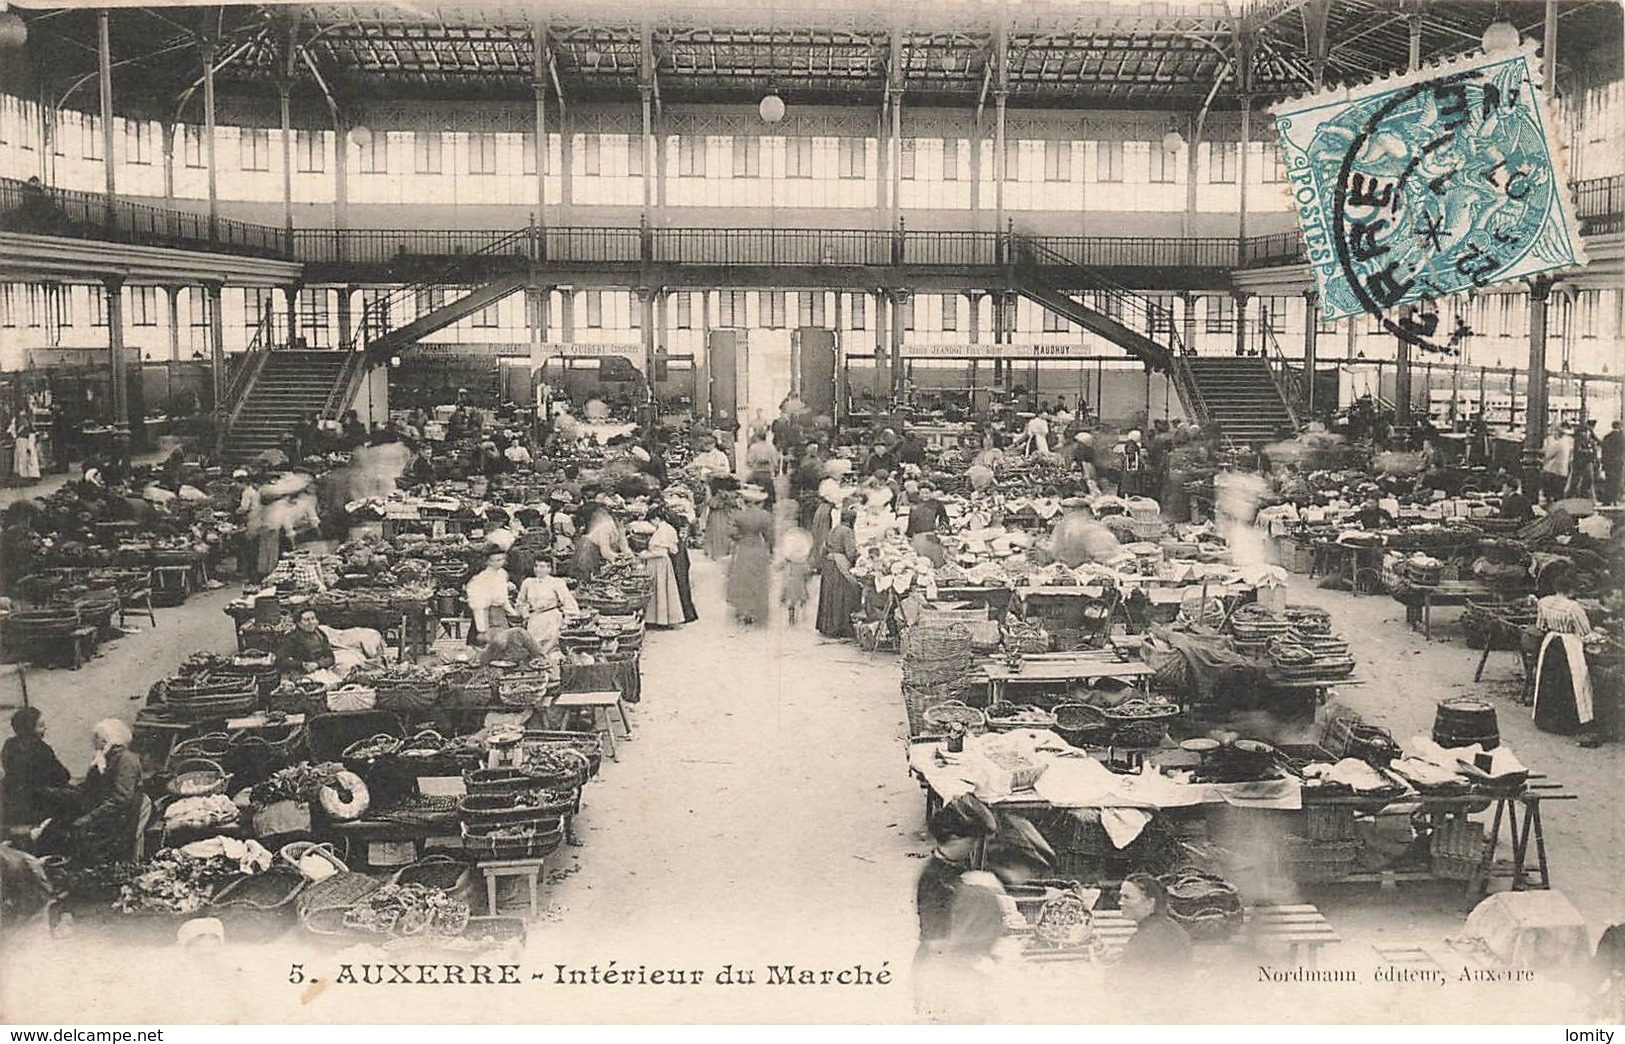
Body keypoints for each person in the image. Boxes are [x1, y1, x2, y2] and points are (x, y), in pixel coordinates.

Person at [37, 719, 143, 866]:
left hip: (117, 816)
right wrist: (58, 792)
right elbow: (90, 788)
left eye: (96, 737)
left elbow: (120, 799)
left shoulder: (126, 760)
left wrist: (89, 818)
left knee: (73, 830)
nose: (93, 741)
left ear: (106, 739)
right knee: (54, 826)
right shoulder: (104, 758)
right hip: (100, 809)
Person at [1110, 873, 1193, 979]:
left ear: (1150, 903)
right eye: (1121, 896)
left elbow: (1128, 981)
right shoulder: (1165, 926)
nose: (1120, 902)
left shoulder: (1149, 935)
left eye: (1127, 897)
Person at [1, 708, 70, 829]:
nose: (45, 729)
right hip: (38, 803)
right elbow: (62, 776)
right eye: (41, 726)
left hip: (11, 800)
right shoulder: (41, 748)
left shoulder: (9, 745)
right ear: (29, 728)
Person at [726, 487, 774, 626]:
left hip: (744, 547)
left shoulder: (738, 515)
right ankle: (757, 610)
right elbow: (769, 534)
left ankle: (743, 611)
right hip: (759, 547)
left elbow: (730, 532)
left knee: (743, 579)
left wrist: (740, 537)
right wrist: (770, 550)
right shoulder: (765, 515)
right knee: (758, 579)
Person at [515, 555, 578, 660]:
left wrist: (566, 622)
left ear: (549, 569)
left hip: (551, 619)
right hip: (534, 620)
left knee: (551, 651)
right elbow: (520, 602)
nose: (538, 569)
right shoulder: (528, 583)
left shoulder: (557, 582)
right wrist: (525, 614)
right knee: (534, 651)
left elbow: (569, 603)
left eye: (542, 566)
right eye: (536, 566)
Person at [816, 504, 863, 639]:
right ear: (852, 520)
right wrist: (859, 556)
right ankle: (841, 627)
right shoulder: (847, 531)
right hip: (839, 563)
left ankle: (828, 626)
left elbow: (824, 547)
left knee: (830, 596)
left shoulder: (835, 529)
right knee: (845, 593)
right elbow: (850, 552)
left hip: (829, 564)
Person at [641, 508, 687, 628]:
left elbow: (662, 552)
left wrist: (644, 555)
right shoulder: (666, 528)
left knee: (659, 591)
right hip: (660, 564)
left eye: (652, 522)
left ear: (656, 519)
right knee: (661, 591)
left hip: (659, 563)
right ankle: (660, 619)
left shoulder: (663, 531)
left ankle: (660, 620)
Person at [465, 547, 519, 643]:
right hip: (486, 612)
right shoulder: (482, 577)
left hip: (500, 613)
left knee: (503, 640)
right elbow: (478, 605)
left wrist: (513, 612)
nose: (500, 562)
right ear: (488, 562)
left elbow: (504, 599)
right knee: (488, 642)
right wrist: (482, 628)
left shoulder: (503, 573)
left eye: (502, 559)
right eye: (496, 560)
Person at [573, 502, 629, 580]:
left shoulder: (620, 529)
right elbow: (605, 552)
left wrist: (629, 556)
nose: (623, 521)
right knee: (585, 576)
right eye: (620, 518)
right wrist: (620, 557)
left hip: (596, 552)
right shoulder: (605, 527)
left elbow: (624, 545)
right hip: (587, 549)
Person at [276, 607, 337, 676]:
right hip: (301, 672)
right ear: (299, 623)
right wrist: (302, 665)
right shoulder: (292, 637)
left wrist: (318, 664)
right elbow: (280, 661)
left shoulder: (320, 634)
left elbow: (330, 657)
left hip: (320, 668)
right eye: (306, 620)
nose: (311, 622)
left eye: (313, 618)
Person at [778, 526, 814, 626]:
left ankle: (791, 617)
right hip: (800, 584)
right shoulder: (803, 562)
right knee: (802, 600)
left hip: (790, 584)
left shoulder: (789, 562)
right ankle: (802, 615)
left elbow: (780, 567)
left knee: (791, 602)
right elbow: (808, 572)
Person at [744, 432, 779, 508]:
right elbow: (776, 462)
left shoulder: (753, 447)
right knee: (769, 498)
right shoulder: (771, 447)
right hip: (767, 474)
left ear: (757, 438)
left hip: (756, 473)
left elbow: (749, 461)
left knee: (751, 493)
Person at [1542, 425, 1573, 504]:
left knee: (1552, 491)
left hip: (1555, 472)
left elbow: (1548, 454)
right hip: (1563, 471)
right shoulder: (1567, 443)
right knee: (1559, 493)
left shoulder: (1558, 444)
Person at [1602, 421, 1625, 506]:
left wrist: (1603, 464)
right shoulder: (1621, 438)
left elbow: (1603, 451)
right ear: (1619, 426)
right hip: (1618, 463)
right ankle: (1615, 500)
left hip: (1608, 464)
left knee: (1608, 481)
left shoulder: (1607, 437)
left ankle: (1607, 500)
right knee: (1617, 482)